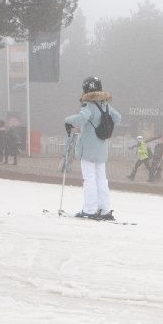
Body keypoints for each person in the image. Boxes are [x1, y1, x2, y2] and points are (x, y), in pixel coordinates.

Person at [64, 76, 116, 220]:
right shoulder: (106, 105)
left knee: (89, 179)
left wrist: (68, 120)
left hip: (88, 149)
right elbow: (117, 118)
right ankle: (104, 209)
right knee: (102, 179)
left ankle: (89, 209)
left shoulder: (88, 105)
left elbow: (81, 119)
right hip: (101, 149)